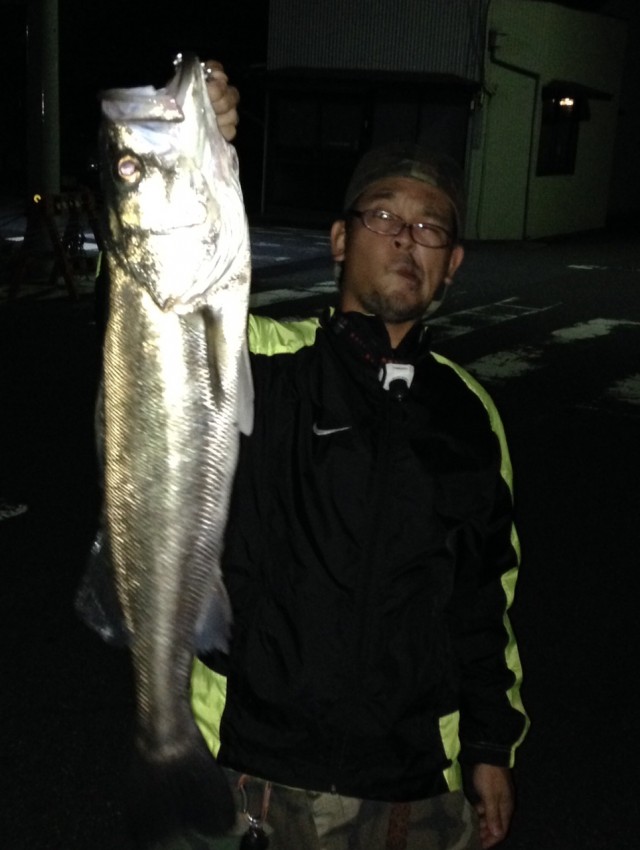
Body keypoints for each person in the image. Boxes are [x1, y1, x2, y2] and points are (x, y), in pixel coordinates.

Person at [187, 64, 529, 850]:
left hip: (412, 786)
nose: (408, 238)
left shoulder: (471, 415)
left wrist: (488, 746)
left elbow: (485, 595)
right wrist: (199, 152)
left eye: (432, 227)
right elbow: (160, 309)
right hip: (249, 767)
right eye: (384, 216)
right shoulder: (262, 364)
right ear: (340, 239)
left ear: (453, 265)